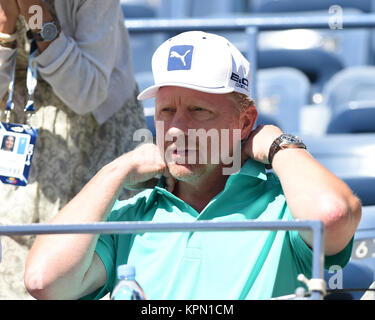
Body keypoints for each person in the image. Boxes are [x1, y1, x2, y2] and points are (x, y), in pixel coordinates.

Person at [24, 31, 361, 300]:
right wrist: (116, 171)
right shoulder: (133, 214)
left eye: (199, 111)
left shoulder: (284, 206)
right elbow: (44, 280)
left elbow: (332, 216)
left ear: (245, 122)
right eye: (166, 111)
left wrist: (278, 145)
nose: (176, 129)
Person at [0, 0, 145, 299]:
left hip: (95, 135)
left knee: (78, 262)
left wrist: (35, 11)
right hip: (17, 132)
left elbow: (86, 93)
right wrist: (4, 29)